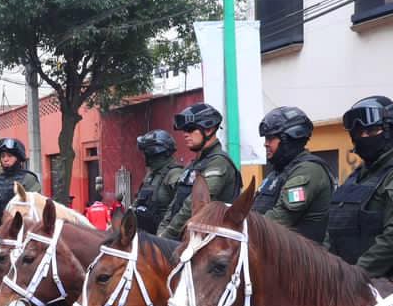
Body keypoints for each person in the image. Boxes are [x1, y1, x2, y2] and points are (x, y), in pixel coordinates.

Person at [326, 95, 393, 278]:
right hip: (344, 280)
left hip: (379, 283)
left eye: (372, 131)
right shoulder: (357, 175)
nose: (363, 137)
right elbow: (332, 228)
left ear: (390, 132)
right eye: (358, 133)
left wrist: (354, 274)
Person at [157, 103, 242, 240]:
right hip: (184, 240)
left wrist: (167, 236)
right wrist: (162, 231)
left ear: (209, 130)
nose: (185, 134)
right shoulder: (193, 165)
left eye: (190, 129)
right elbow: (175, 203)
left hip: (210, 245)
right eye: (184, 130)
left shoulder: (219, 163)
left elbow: (191, 205)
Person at [253, 106, 335, 241]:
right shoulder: (277, 173)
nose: (265, 144)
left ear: (288, 139)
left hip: (306, 260)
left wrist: (240, 228)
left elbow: (277, 220)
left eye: (271, 138)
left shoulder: (308, 170)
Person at [0, 138, 40, 235]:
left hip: (20, 231)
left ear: (18, 157)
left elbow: (34, 208)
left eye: (9, 156)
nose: (5, 159)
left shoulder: (29, 179)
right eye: (2, 156)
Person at [132, 129, 186, 235]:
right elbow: (138, 202)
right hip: (144, 233)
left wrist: (163, 234)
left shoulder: (175, 174)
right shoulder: (151, 175)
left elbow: (181, 210)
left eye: (146, 152)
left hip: (164, 236)